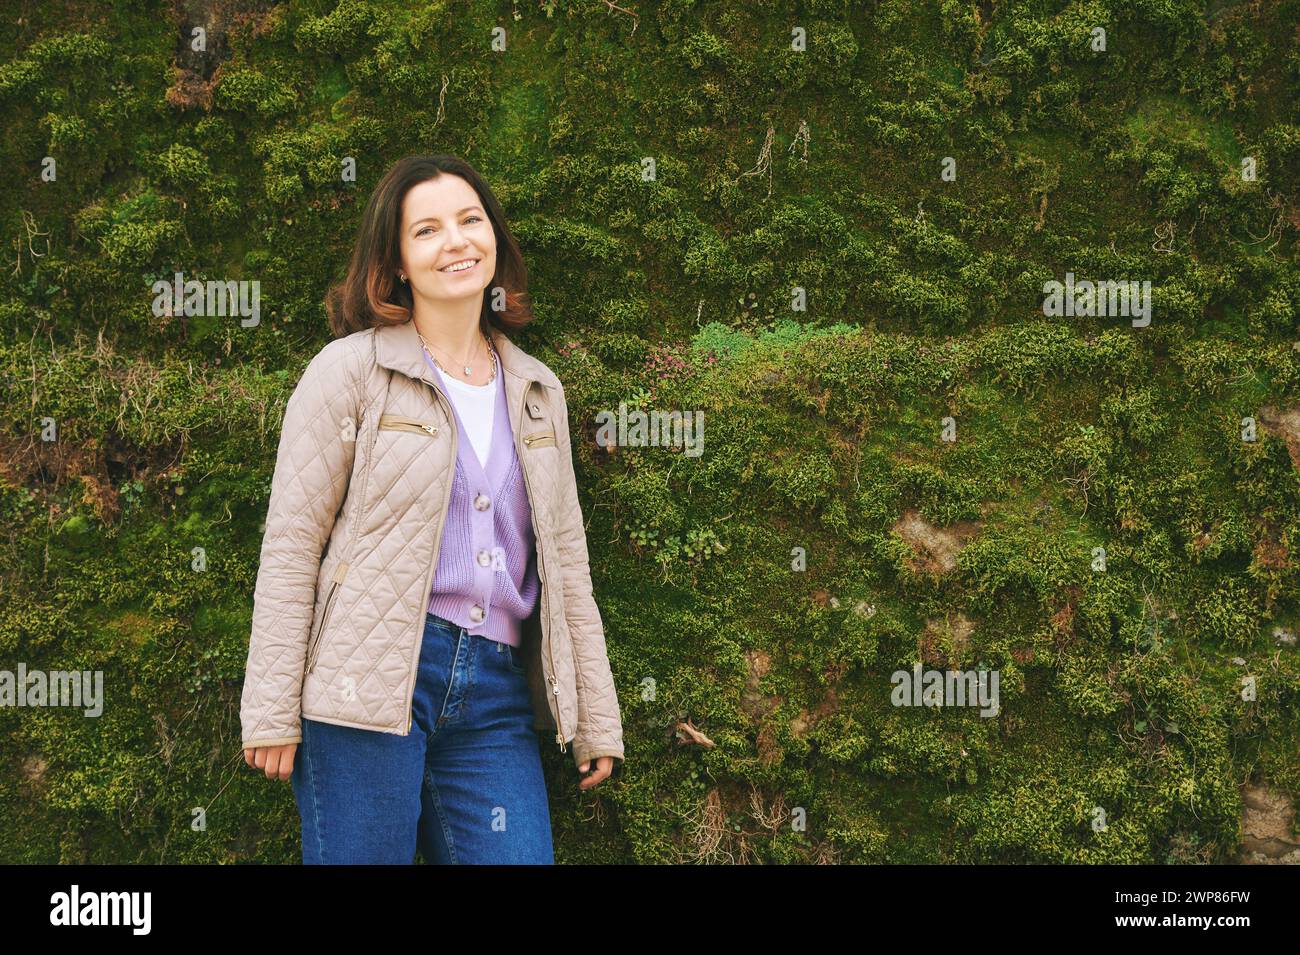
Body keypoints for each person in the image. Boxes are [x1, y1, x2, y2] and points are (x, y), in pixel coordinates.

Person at [239, 154, 624, 864]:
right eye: (428, 230)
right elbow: (292, 542)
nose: (456, 241)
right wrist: (269, 708)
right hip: (369, 680)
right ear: (396, 264)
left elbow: (568, 563)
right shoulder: (351, 371)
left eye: (471, 220)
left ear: (496, 242)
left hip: (496, 697)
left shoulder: (539, 389)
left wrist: (595, 716)